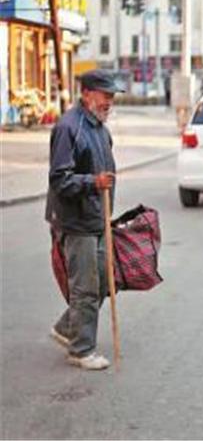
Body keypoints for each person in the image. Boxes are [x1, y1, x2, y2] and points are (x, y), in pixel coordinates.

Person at [45, 69, 125, 370]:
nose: (110, 102)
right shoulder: (69, 127)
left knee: (105, 280)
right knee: (86, 288)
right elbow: (60, 179)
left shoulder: (100, 128)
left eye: (112, 96)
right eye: (106, 95)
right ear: (87, 93)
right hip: (75, 221)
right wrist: (93, 182)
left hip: (97, 217)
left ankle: (68, 328)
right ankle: (81, 350)